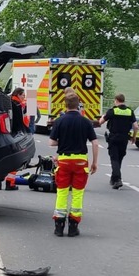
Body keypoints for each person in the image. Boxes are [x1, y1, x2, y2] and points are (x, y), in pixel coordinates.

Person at [48, 90, 99, 237]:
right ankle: (73, 226)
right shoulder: (85, 121)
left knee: (62, 192)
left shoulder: (60, 121)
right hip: (80, 161)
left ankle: (59, 226)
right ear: (78, 105)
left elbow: (51, 142)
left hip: (63, 161)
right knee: (77, 193)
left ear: (66, 105)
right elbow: (95, 143)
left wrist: (63, 142)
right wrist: (94, 163)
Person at [99, 93, 137, 188]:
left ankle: (118, 179)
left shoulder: (113, 111)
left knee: (114, 159)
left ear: (116, 100)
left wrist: (103, 116)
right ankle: (114, 178)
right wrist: (134, 137)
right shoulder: (130, 111)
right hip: (124, 139)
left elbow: (100, 122)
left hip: (114, 138)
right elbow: (136, 126)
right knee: (119, 158)